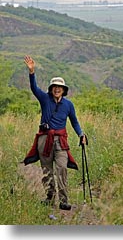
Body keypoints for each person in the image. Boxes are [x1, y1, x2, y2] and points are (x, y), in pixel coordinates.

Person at [23, 55, 87, 211]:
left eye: (60, 87)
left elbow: (74, 122)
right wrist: (32, 72)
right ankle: (49, 197)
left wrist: (81, 134)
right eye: (54, 87)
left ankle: (64, 200)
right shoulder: (45, 99)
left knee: (62, 168)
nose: (57, 89)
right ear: (51, 89)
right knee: (47, 170)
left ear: (64, 90)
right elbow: (34, 89)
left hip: (61, 141)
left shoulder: (68, 105)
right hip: (44, 139)